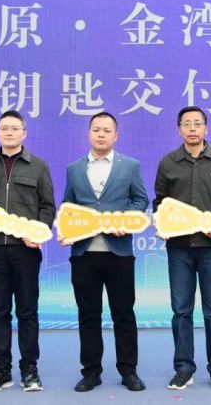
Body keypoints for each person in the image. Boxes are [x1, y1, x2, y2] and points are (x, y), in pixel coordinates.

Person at [153, 106, 211, 391]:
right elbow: (160, 204)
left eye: (197, 123)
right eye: (186, 124)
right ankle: (183, 369)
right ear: (179, 129)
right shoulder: (168, 162)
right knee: (181, 310)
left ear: (206, 128)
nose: (192, 128)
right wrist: (161, 223)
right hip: (179, 248)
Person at [60, 112, 149, 392]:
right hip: (84, 252)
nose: (101, 134)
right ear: (89, 134)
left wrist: (125, 220)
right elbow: (67, 206)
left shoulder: (130, 166)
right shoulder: (74, 169)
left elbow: (141, 199)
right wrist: (66, 227)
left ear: (116, 136)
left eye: (107, 130)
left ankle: (128, 371)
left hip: (118, 252)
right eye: (96, 129)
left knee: (124, 313)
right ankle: (91, 371)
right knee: (88, 315)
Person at [0, 110, 55, 393]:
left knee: (28, 311)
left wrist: (38, 232)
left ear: (24, 133)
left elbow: (47, 207)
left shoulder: (38, 167)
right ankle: (1, 369)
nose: (9, 132)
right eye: (4, 128)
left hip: (25, 250)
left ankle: (29, 368)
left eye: (15, 128)